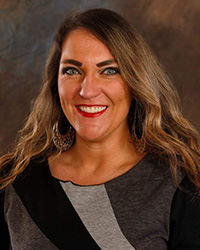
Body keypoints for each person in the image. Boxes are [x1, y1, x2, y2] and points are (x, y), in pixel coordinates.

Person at [0, 8, 200, 250]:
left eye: (109, 71)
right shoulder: (13, 182)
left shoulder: (181, 184)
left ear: (134, 83)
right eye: (72, 71)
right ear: (55, 83)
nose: (87, 90)